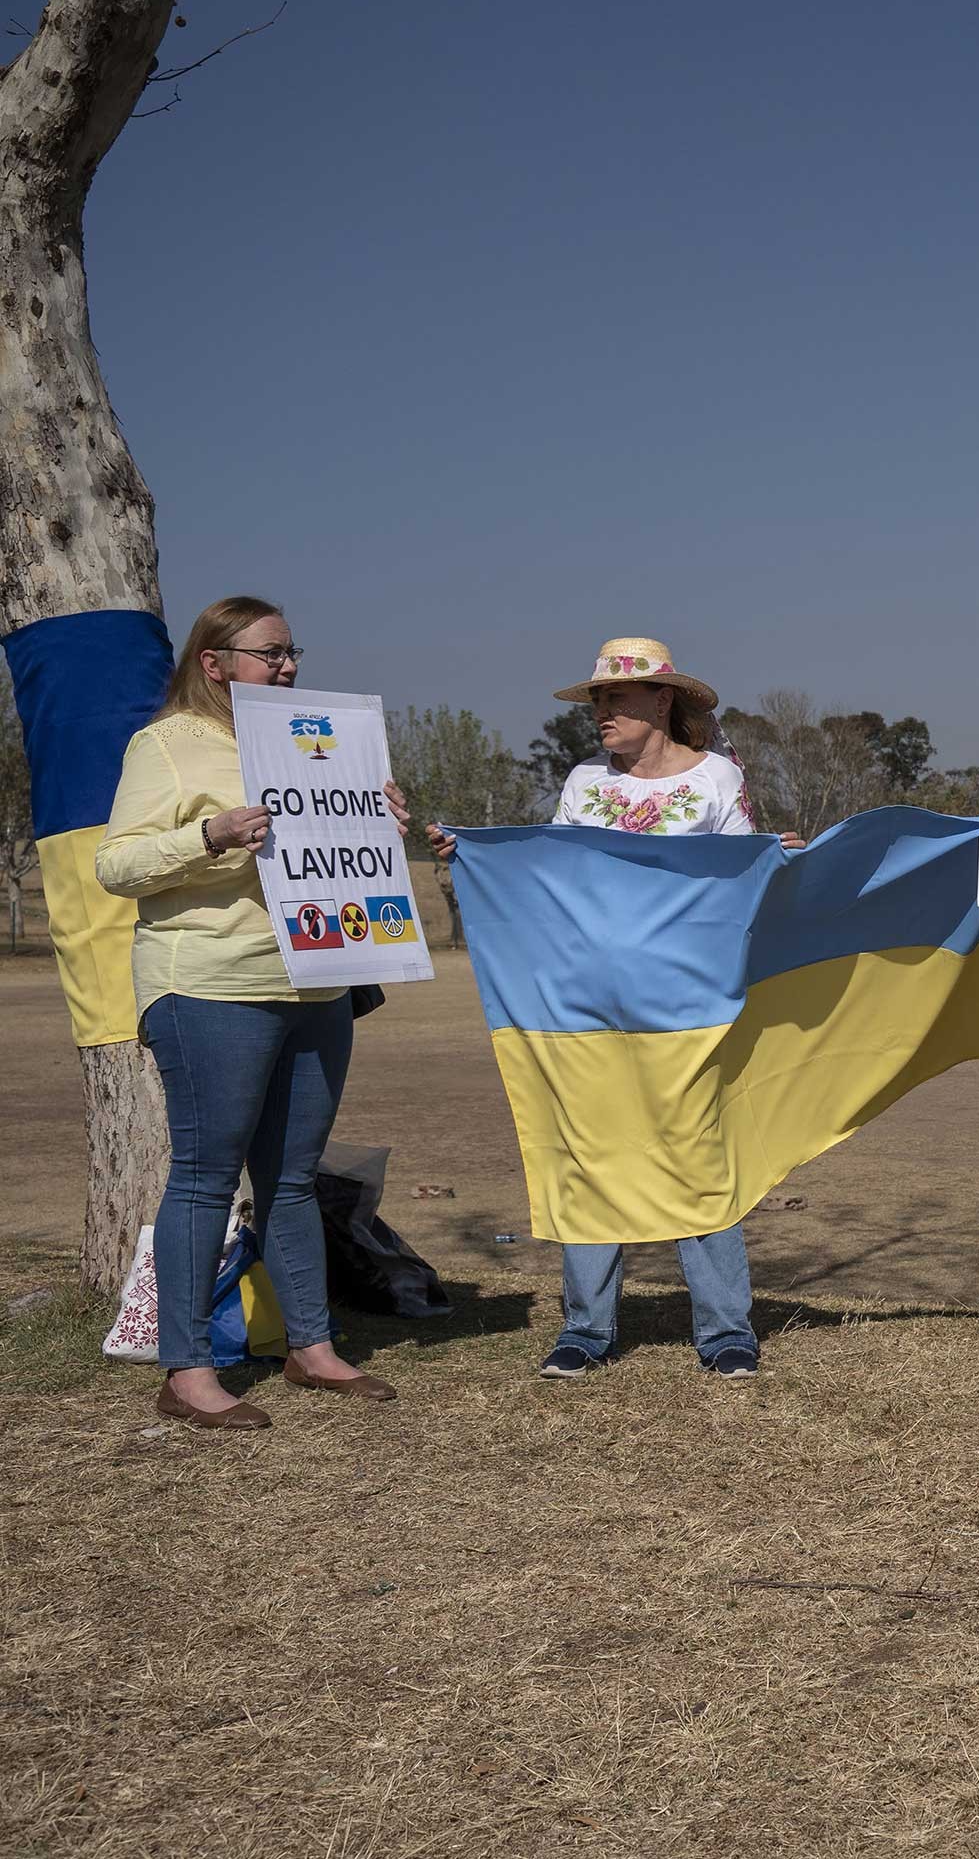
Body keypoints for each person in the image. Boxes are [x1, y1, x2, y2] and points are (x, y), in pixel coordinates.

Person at [95, 595, 406, 1428]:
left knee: (294, 1178)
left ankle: (312, 1348)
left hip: (319, 984)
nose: (288, 667)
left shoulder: (319, 739)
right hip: (209, 988)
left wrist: (378, 821)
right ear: (214, 663)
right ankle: (187, 1370)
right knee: (203, 1181)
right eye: (270, 655)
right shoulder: (164, 745)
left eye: (292, 652)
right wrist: (210, 836)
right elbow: (116, 866)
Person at [431, 637, 779, 1381]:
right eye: (596, 701)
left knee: (698, 1158)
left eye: (615, 699)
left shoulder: (719, 779)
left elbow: (746, 889)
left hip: (688, 1006)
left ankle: (725, 1332)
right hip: (581, 1004)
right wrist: (473, 858)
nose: (600, 714)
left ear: (662, 702)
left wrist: (784, 860)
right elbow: (555, 879)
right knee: (587, 1152)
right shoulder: (584, 782)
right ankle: (586, 1331)